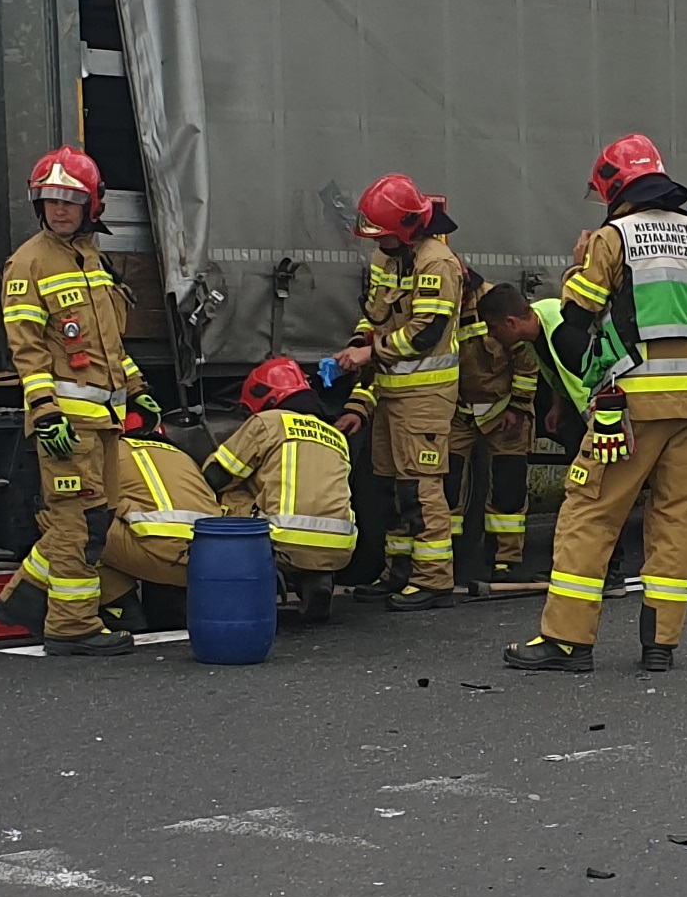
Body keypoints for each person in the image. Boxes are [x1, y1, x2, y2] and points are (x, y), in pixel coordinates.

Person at [507, 133, 687, 676]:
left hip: (629, 407)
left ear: (614, 189)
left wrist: (576, 271)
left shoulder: (611, 240)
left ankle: (567, 642)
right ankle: (660, 643)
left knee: (590, 515)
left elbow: (573, 328)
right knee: (676, 519)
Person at [0, 145, 147, 654]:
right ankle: (71, 625)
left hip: (104, 421)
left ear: (91, 206)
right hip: (65, 423)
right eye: (51, 200)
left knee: (95, 521)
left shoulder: (93, 260)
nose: (60, 210)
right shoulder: (29, 263)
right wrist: (44, 411)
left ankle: (26, 600)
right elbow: (27, 349)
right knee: (75, 523)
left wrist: (138, 391)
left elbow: (107, 345)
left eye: (71, 201)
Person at [340, 173, 471, 601]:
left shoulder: (437, 262)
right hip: (390, 390)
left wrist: (371, 353)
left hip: (425, 396)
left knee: (420, 487)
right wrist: (359, 343)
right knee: (390, 486)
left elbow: (426, 333)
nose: (378, 241)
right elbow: (374, 314)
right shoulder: (388, 257)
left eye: (384, 233)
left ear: (408, 228)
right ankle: (398, 571)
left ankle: (433, 579)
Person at [204, 355, 362, 624]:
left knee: (232, 494)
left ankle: (259, 581)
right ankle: (316, 578)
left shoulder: (268, 421)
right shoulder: (335, 435)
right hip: (340, 546)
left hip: (282, 541)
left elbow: (216, 476)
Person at [449, 285, 548, 596]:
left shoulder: (496, 308)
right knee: (448, 483)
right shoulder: (439, 306)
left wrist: (518, 407)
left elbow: (527, 360)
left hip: (505, 411)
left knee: (508, 486)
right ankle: (444, 557)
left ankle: (505, 562)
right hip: (459, 412)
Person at [91, 411, 221, 634]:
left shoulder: (110, 453)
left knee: (76, 522)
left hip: (158, 557)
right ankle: (173, 605)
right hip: (207, 562)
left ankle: (121, 609)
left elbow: (100, 502)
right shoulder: (183, 456)